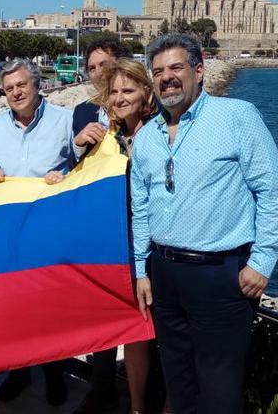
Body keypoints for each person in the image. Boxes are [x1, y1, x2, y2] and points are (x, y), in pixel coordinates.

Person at [132, 34, 278, 414]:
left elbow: (274, 193)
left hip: (220, 276)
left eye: (176, 68)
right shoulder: (147, 138)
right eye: (158, 72)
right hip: (164, 275)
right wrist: (141, 269)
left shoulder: (237, 116)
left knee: (220, 392)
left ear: (199, 70)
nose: (167, 78)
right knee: (179, 382)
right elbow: (140, 208)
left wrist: (262, 261)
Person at [71, 58, 161, 414]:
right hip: (112, 247)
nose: (119, 98)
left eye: (128, 90)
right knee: (123, 327)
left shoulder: (162, 132)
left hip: (153, 248)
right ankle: (131, 403)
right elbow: (78, 180)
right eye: (113, 92)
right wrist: (74, 154)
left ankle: (151, 402)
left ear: (145, 92)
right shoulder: (104, 137)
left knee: (152, 330)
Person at [0, 58, 74, 406]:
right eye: (9, 89)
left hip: (50, 230)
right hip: (9, 232)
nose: (16, 93)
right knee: (12, 307)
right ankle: (18, 370)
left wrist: (66, 177)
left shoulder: (64, 121)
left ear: (37, 85)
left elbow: (85, 168)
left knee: (50, 307)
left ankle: (54, 373)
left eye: (22, 85)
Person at [72, 39, 133, 164]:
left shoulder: (146, 106)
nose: (98, 73)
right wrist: (79, 145)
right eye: (92, 68)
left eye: (103, 65)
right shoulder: (82, 112)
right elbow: (74, 168)